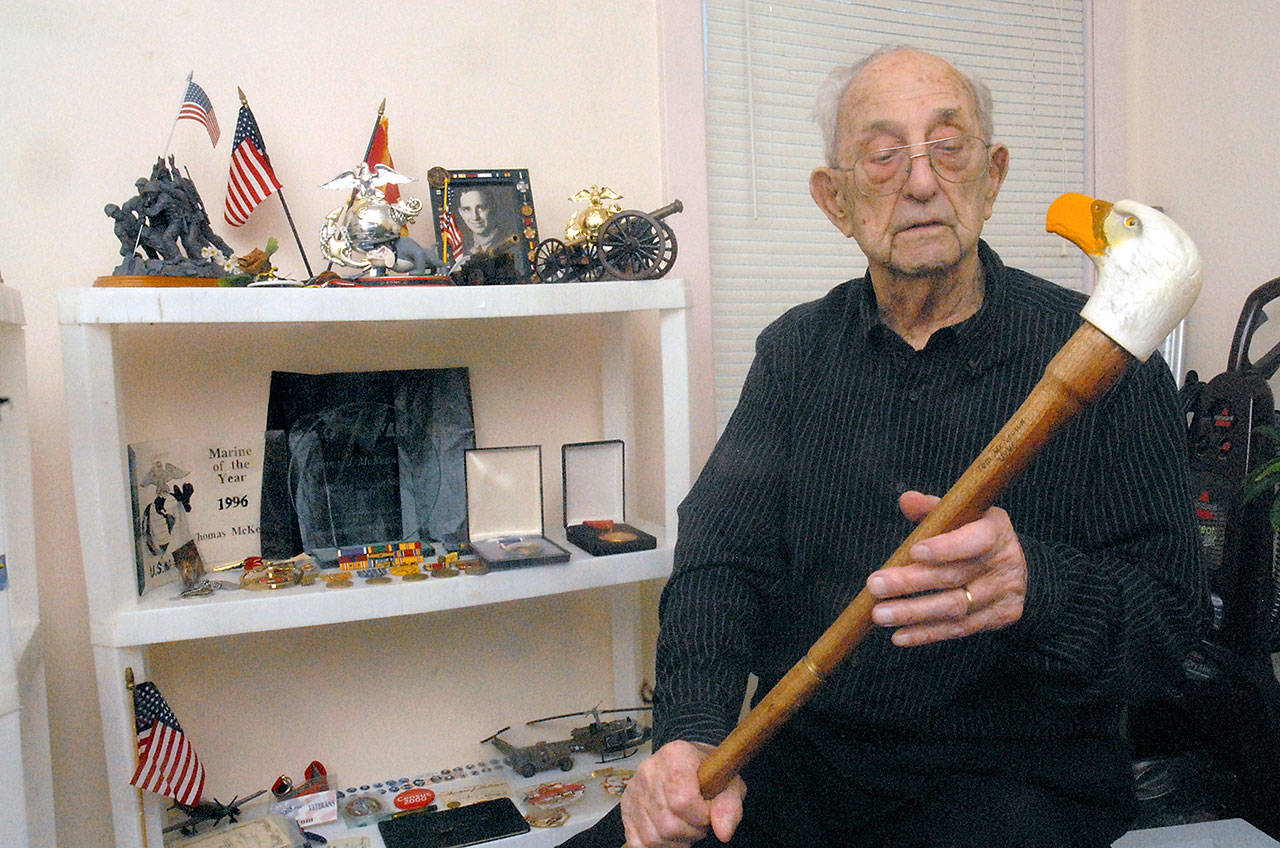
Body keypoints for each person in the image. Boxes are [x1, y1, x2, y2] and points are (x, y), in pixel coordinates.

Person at [562, 46, 1205, 848]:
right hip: (809, 763)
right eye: (882, 154)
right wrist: (690, 733)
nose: (923, 181)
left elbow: (1172, 627)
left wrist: (1037, 586)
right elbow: (722, 563)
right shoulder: (795, 353)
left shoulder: (1109, 361)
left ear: (993, 176)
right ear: (836, 199)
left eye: (949, 146)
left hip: (1023, 780)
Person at [450, 185, 528, 276]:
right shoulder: (462, 249)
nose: (475, 217)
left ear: (492, 207)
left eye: (481, 208)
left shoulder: (515, 248)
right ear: (461, 213)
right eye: (467, 209)